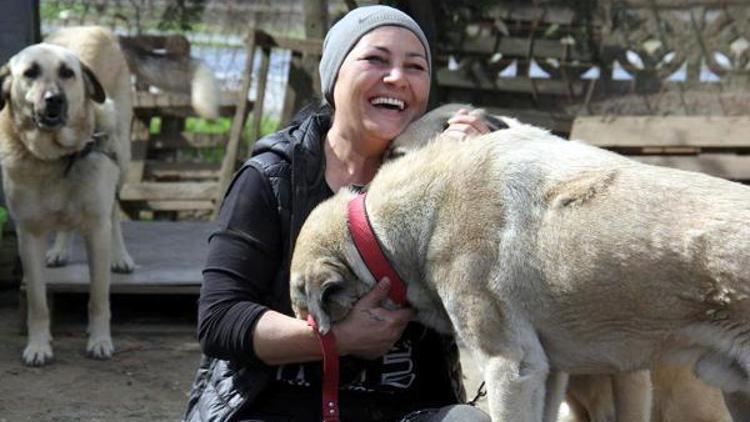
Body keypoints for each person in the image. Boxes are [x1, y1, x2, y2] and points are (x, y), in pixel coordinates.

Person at [183, 5, 492, 422]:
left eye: (415, 66)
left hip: (402, 411)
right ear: (333, 77)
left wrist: (479, 173)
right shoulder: (273, 177)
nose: (397, 77)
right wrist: (338, 340)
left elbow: (493, 295)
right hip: (273, 407)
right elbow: (220, 320)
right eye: (376, 59)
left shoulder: (436, 178)